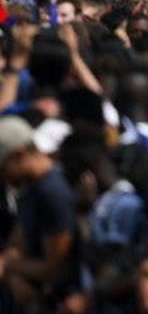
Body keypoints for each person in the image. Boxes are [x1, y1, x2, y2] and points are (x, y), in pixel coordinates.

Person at [0, 116, 79, 308]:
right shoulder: (29, 188)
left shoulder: (53, 193)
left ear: (20, 155)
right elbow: (16, 244)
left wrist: (9, 267)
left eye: (2, 168)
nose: (1, 176)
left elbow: (55, 269)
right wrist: (12, 275)